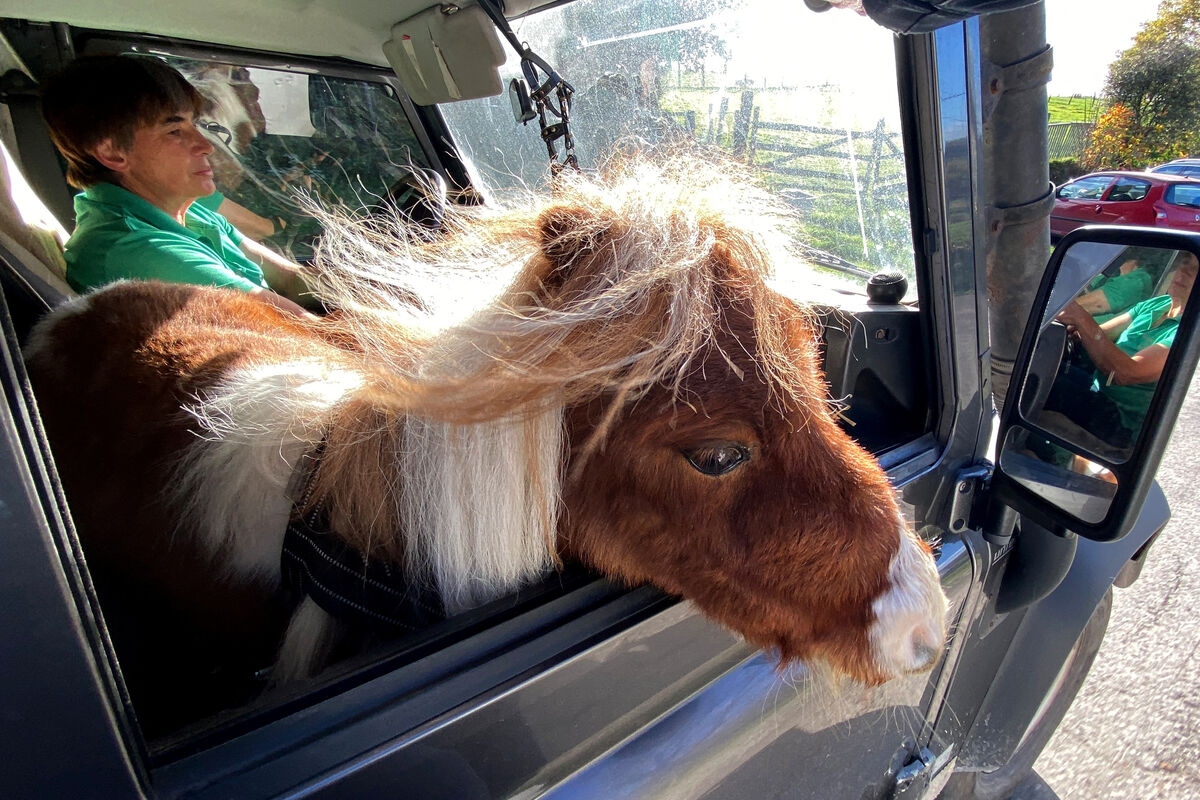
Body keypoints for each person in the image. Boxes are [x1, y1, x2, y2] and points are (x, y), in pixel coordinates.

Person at [40, 55, 312, 317]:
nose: (205, 146)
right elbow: (301, 324)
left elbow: (290, 280)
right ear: (112, 154)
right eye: (174, 131)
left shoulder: (187, 213)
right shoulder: (139, 248)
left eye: (193, 124)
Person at [1048, 249, 1198, 444]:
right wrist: (1072, 328)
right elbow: (1101, 334)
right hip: (1097, 389)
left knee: (1044, 392)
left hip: (1121, 421)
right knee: (1046, 375)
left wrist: (1081, 318)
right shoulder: (1158, 304)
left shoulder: (1191, 331)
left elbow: (1125, 373)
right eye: (1185, 262)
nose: (1185, 271)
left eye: (1196, 269)